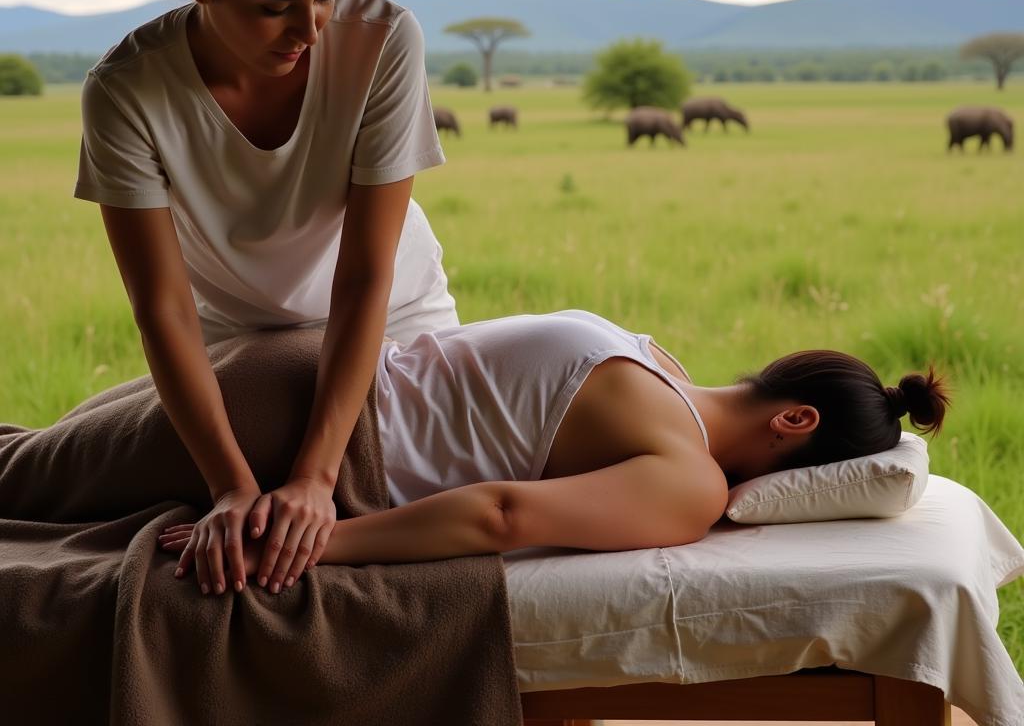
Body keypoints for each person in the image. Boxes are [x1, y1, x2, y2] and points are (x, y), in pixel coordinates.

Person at [74, 0, 458, 598]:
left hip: (391, 328)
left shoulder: (381, 39)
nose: (310, 29)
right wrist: (230, 487)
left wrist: (318, 478)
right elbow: (163, 307)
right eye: (276, 6)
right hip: (237, 350)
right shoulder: (127, 90)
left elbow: (364, 278)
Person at [158, 309, 951, 597]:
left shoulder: (650, 353)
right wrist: (308, 545)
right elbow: (502, 515)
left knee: (37, 465)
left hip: (299, 368)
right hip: (302, 440)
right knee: (31, 480)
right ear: (797, 421)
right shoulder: (691, 479)